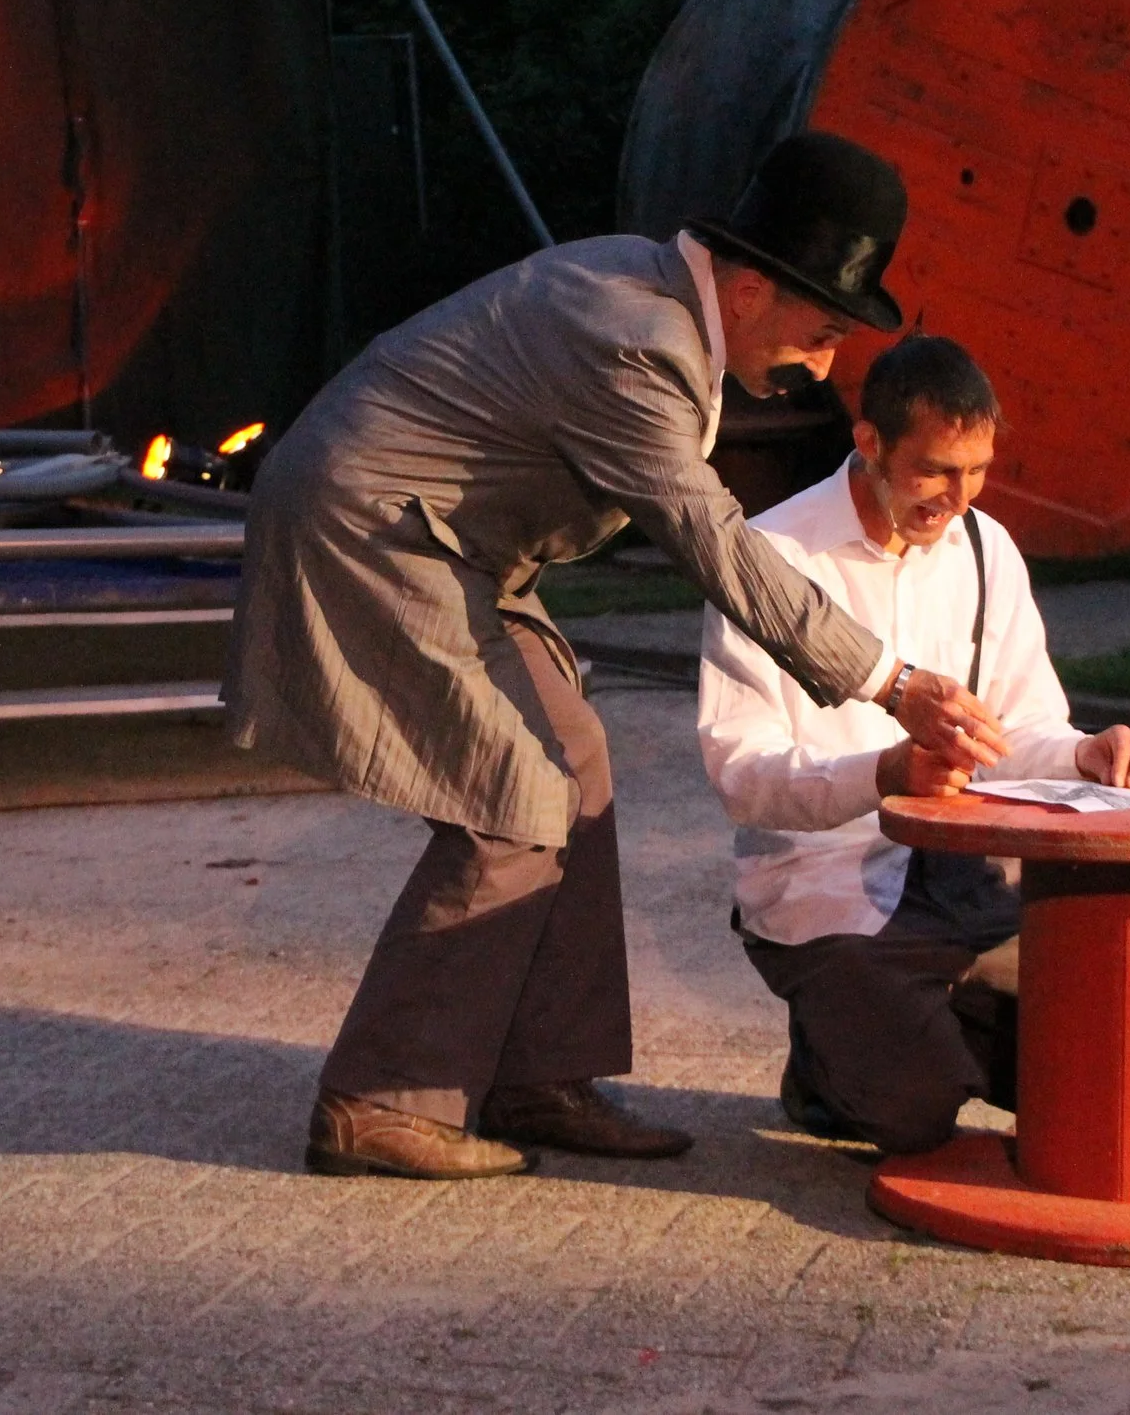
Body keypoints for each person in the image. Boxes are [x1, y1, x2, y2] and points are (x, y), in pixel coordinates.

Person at [224, 133, 1010, 1180]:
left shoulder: (653, 298)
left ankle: (535, 1074)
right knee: (510, 787)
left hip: (449, 549)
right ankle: (377, 1098)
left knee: (577, 759)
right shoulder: (638, 338)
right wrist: (894, 680)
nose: (822, 366)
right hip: (370, 535)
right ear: (745, 284)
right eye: (820, 332)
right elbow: (713, 542)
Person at [696, 333, 1130, 1155]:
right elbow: (743, 776)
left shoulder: (985, 549)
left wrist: (1086, 753)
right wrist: (884, 772)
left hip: (964, 878)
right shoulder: (770, 557)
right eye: (936, 470)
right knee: (914, 1113)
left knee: (1112, 1059)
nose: (959, 498)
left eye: (978, 469)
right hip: (828, 882)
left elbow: (1021, 730)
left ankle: (913, 1024)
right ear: (869, 442)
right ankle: (841, 1051)